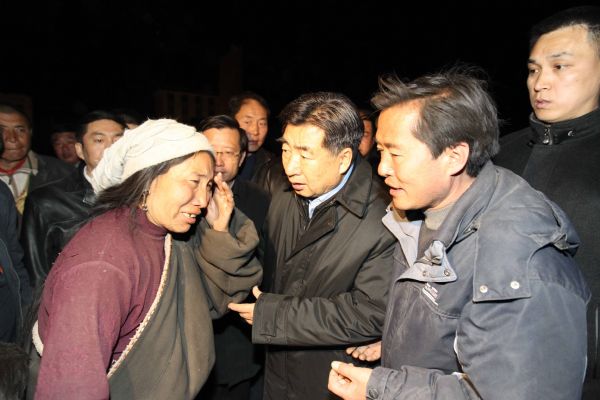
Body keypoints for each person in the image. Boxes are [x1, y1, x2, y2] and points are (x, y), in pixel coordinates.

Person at [327, 70, 590, 400]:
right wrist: (398, 343)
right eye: (380, 151)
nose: (382, 168)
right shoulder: (419, 215)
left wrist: (381, 387)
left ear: (454, 156)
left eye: (396, 153)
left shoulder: (519, 262)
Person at [30, 119, 263, 399]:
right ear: (149, 176)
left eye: (209, 185)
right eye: (194, 182)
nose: (203, 199)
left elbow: (212, 303)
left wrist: (219, 229)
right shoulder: (101, 264)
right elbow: (71, 387)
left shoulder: (163, 233)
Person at [228, 92, 396, 400]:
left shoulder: (383, 216)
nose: (291, 166)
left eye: (305, 155)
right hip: (277, 369)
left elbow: (372, 311)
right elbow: (268, 267)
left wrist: (273, 316)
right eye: (286, 150)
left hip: (333, 379)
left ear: (344, 158)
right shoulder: (283, 196)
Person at [493, 7, 600, 394]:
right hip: (490, 361)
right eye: (534, 69)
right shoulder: (500, 153)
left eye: (560, 67)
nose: (541, 83)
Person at [198, 114, 270, 400]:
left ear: (242, 158)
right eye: (211, 151)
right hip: (189, 335)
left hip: (235, 339)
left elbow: (265, 267)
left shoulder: (260, 200)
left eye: (228, 153)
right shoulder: (180, 195)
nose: (218, 160)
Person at [20, 111, 126, 290]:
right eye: (99, 140)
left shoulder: (147, 195)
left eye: (118, 141)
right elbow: (36, 276)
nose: (111, 149)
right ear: (80, 150)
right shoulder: (47, 201)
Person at [0, 104, 72, 216]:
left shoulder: (63, 173)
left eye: (20, 130)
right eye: (2, 130)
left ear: (30, 133)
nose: (12, 138)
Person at [229, 92, 275, 185]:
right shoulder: (213, 159)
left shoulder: (273, 165)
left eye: (262, 124)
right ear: (231, 122)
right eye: (247, 122)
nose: (255, 131)